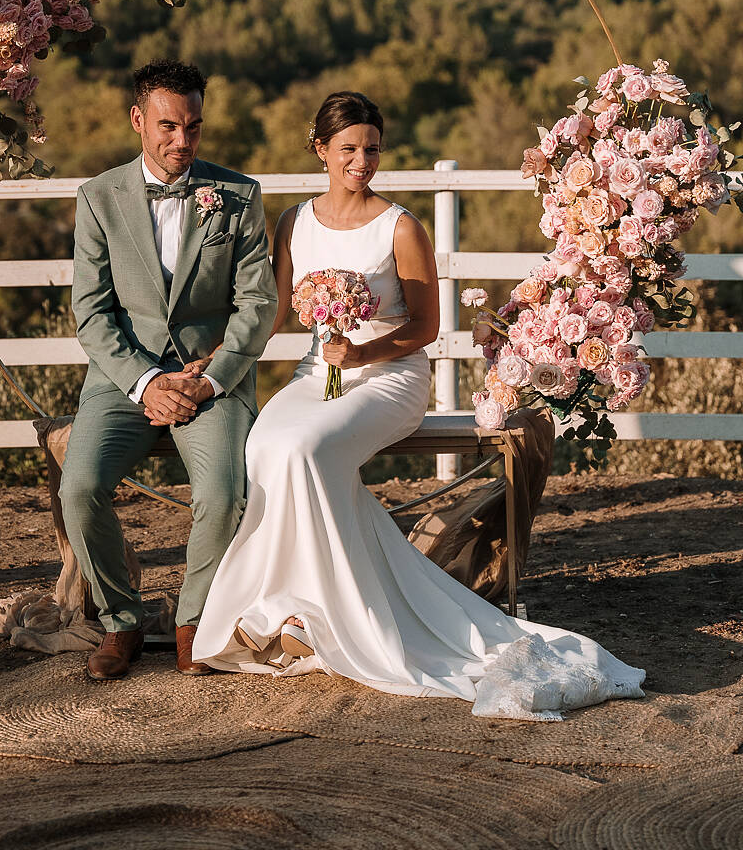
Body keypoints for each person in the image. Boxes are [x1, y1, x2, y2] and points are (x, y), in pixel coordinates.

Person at [192, 91, 645, 717]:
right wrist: (216, 357)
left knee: (303, 447)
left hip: (391, 378)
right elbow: (269, 313)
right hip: (318, 372)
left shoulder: (400, 225)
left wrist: (365, 354)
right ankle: (290, 608)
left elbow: (426, 327)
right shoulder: (293, 221)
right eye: (348, 148)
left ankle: (306, 615)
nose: (361, 161)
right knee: (268, 444)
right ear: (319, 148)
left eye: (371, 149)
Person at [60, 59, 278, 680]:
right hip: (123, 380)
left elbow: (258, 303)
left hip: (213, 380)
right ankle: (120, 621)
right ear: (137, 120)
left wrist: (209, 378)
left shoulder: (238, 196)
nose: (182, 141)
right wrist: (146, 382)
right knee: (78, 490)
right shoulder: (98, 198)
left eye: (194, 127)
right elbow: (91, 313)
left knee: (222, 495)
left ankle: (193, 623)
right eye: (168, 126)